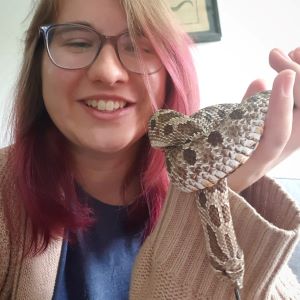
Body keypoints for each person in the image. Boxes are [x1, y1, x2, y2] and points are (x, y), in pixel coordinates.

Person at [0, 0, 299, 299]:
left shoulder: (215, 175)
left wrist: (236, 189)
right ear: (38, 61)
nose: (107, 72)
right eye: (78, 43)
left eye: (138, 46)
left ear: (172, 71)